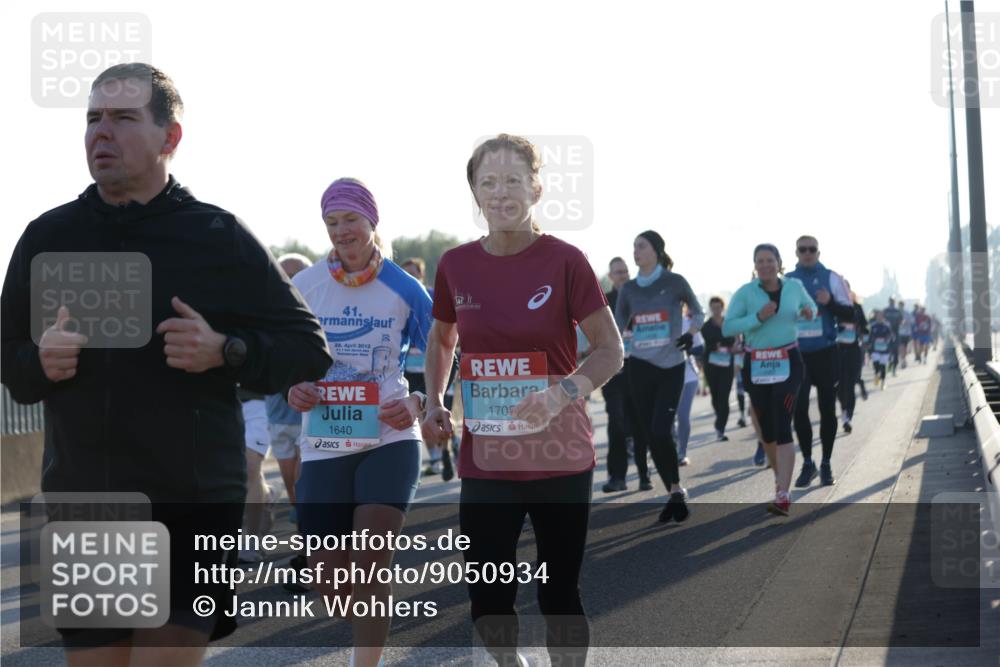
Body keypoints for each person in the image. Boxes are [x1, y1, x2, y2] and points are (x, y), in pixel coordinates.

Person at [0, 63, 332, 666]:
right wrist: (39, 360)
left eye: (123, 118)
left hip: (191, 499)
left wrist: (226, 351)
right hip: (89, 503)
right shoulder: (49, 237)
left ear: (169, 137)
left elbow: (308, 350)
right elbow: (10, 365)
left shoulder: (217, 237)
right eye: (93, 118)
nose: (101, 132)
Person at [420, 134, 623, 666]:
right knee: (488, 599)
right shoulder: (455, 265)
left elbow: (610, 351)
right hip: (488, 458)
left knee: (558, 597)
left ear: (536, 187)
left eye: (513, 180)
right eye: (488, 182)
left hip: (560, 455)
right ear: (475, 193)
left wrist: (562, 393)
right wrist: (434, 399)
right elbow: (443, 340)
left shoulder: (565, 260)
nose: (501, 193)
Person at [285, 178, 431, 667]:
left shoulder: (405, 287)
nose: (341, 231)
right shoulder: (304, 286)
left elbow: (446, 353)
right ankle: (369, 618)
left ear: (372, 222)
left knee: (372, 561)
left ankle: (364, 662)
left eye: (351, 219)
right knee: (328, 580)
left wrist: (421, 402)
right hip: (326, 439)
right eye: (332, 222)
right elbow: (286, 357)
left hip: (390, 433)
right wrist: (293, 386)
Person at [615, 230, 703, 522]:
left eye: (641, 246)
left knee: (660, 429)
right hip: (639, 366)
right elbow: (616, 326)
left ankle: (675, 492)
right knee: (650, 434)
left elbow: (698, 313)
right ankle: (675, 492)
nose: (636, 251)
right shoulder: (629, 289)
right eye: (634, 247)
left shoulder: (674, 282)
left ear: (656, 250)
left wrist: (690, 335)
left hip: (671, 365)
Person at [723, 244, 816, 515]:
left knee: (783, 422)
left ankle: (784, 494)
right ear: (755, 265)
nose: (765, 265)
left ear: (779, 262)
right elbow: (729, 327)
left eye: (770, 260)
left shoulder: (794, 286)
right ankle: (780, 480)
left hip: (788, 360)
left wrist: (810, 312)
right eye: (760, 261)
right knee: (767, 430)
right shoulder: (745, 292)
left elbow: (810, 307)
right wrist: (757, 317)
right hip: (757, 363)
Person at [786, 236, 854, 488]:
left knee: (827, 409)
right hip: (797, 354)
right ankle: (807, 463)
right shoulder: (788, 281)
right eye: (802, 249)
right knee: (799, 409)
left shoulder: (832, 278)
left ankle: (825, 463)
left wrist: (830, 302)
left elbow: (852, 314)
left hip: (826, 353)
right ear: (796, 252)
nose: (807, 253)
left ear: (818, 252)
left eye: (811, 249)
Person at [400, 256, 457, 481]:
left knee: (439, 412)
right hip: (408, 369)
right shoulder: (396, 298)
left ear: (421, 275)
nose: (409, 278)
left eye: (413, 273)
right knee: (420, 414)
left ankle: (447, 449)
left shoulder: (433, 296)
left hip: (434, 367)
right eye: (405, 274)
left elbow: (449, 332)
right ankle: (436, 457)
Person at [601, 257, 648, 492]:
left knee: (639, 423)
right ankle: (616, 477)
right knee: (616, 422)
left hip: (638, 369)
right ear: (610, 276)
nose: (623, 275)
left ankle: (643, 474)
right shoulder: (603, 302)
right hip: (612, 373)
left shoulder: (639, 298)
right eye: (618, 272)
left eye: (626, 271)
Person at [701, 296, 737, 442]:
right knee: (715, 396)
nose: (716, 310)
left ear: (723, 308)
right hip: (711, 365)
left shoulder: (729, 323)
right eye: (714, 308)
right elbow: (709, 343)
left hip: (726, 365)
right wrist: (720, 344)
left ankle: (720, 427)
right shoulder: (706, 326)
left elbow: (732, 340)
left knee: (724, 395)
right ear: (710, 309)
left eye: (719, 307)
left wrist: (720, 343)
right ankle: (719, 417)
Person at [836, 283, 868, 434]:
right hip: (837, 350)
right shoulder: (833, 306)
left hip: (854, 349)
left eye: (846, 289)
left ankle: (848, 416)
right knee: (840, 387)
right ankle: (844, 410)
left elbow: (865, 326)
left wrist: (860, 331)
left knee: (851, 383)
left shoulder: (857, 307)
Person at [675, 310, 703, 465]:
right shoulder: (659, 322)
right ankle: (670, 450)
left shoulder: (688, 323)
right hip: (665, 377)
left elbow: (700, 348)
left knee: (683, 416)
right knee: (668, 418)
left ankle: (682, 453)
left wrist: (684, 348)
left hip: (689, 377)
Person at [868, 311, 894, 389]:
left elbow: (890, 336)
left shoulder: (887, 326)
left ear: (883, 317)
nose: (879, 317)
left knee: (883, 366)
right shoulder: (873, 326)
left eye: (881, 316)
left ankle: (883, 382)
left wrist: (886, 339)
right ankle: (877, 374)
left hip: (885, 350)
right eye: (878, 316)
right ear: (876, 317)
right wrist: (872, 343)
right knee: (876, 365)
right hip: (875, 350)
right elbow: (870, 337)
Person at [883, 298, 903, 375]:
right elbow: (901, 322)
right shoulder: (897, 311)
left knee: (891, 351)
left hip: (889, 333)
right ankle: (893, 367)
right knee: (893, 351)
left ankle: (892, 366)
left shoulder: (885, 311)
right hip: (893, 333)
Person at [897, 300, 913, 369]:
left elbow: (912, 321)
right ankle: (902, 360)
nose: (900, 306)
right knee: (901, 347)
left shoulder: (907, 313)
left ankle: (904, 359)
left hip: (906, 333)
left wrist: (906, 321)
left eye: (901, 305)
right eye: (899, 305)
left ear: (903, 306)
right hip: (898, 333)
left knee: (904, 348)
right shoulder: (896, 312)